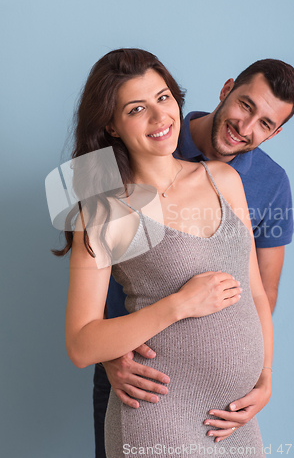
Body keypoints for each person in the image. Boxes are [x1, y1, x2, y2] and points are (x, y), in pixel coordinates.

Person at [61, 48, 275, 457]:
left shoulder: (224, 179)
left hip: (236, 422)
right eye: (137, 109)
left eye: (163, 98)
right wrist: (178, 305)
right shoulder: (105, 208)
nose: (160, 118)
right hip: (160, 416)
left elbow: (256, 293)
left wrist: (265, 377)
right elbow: (81, 343)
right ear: (111, 125)